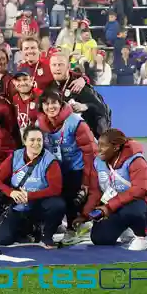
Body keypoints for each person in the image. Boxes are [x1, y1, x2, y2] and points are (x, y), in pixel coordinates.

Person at [82, 129, 147, 251]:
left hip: (140, 202)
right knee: (100, 238)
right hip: (114, 204)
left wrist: (109, 207)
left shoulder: (135, 160)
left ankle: (142, 237)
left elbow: (140, 190)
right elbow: (95, 191)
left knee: (133, 210)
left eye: (103, 146)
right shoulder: (98, 162)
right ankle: (126, 228)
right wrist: (85, 215)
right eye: (98, 145)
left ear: (115, 148)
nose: (98, 150)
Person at [0, 126, 65, 248]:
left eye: (39, 140)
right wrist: (11, 192)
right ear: (24, 141)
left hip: (39, 204)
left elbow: (56, 189)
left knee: (58, 205)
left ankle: (47, 235)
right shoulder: (15, 156)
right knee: (1, 240)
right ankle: (28, 230)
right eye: (32, 140)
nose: (36, 143)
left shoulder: (50, 160)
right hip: (18, 204)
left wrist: (30, 196)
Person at [36, 89, 97, 226]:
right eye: (46, 104)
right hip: (56, 168)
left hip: (77, 167)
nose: (51, 107)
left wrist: (86, 181)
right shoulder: (39, 125)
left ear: (61, 103)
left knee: (74, 198)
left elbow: (90, 152)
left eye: (54, 103)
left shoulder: (75, 122)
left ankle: (74, 226)